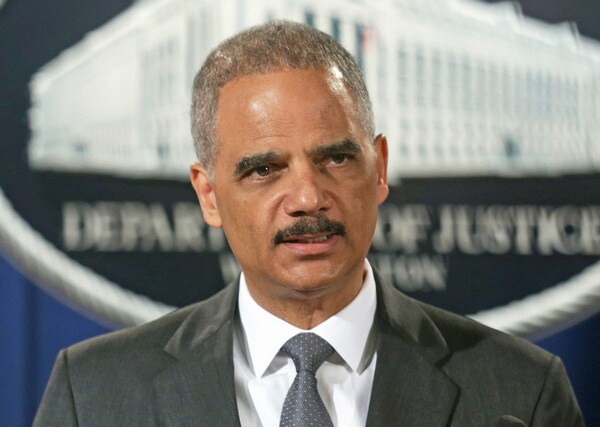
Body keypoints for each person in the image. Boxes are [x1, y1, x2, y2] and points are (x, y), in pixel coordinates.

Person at [34, 21, 583, 426]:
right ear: (209, 194)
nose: (307, 197)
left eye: (336, 159)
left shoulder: (520, 393)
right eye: (264, 169)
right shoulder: (95, 395)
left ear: (379, 169)